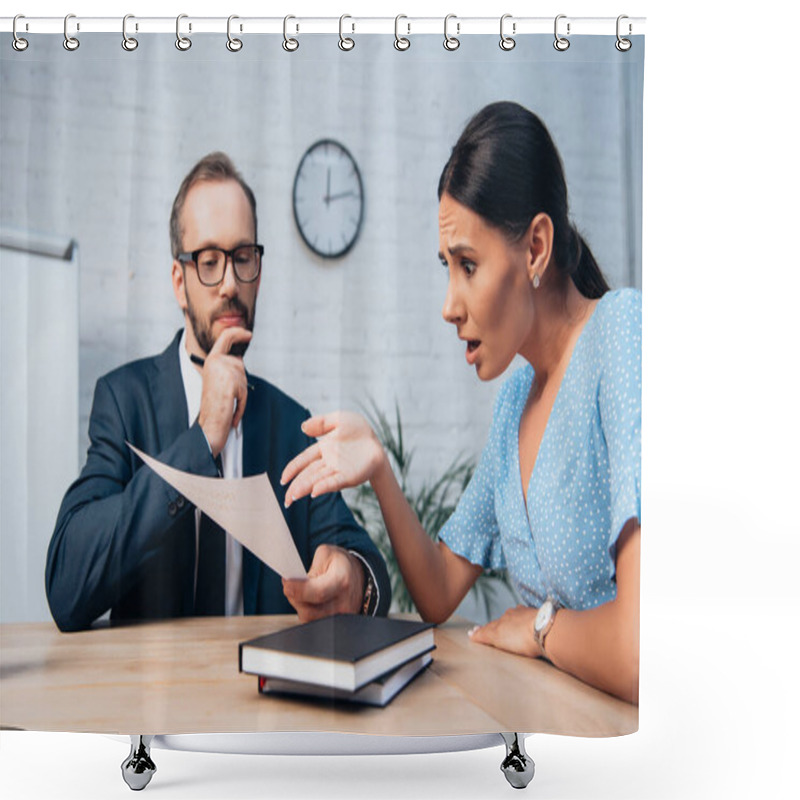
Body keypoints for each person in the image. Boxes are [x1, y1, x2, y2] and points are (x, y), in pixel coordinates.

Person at [280, 102, 641, 704]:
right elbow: (441, 589)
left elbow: (640, 650)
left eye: (467, 265)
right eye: (447, 267)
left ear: (536, 248)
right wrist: (380, 472)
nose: (449, 304)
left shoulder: (620, 334)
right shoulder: (514, 404)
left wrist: (540, 628)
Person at [46, 152, 390, 633]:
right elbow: (66, 586)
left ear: (259, 272)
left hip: (262, 698)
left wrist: (352, 579)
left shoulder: (293, 425)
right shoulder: (124, 402)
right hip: (152, 700)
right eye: (208, 262)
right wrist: (202, 438)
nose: (230, 283)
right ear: (179, 283)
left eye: (243, 257)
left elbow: (369, 567)